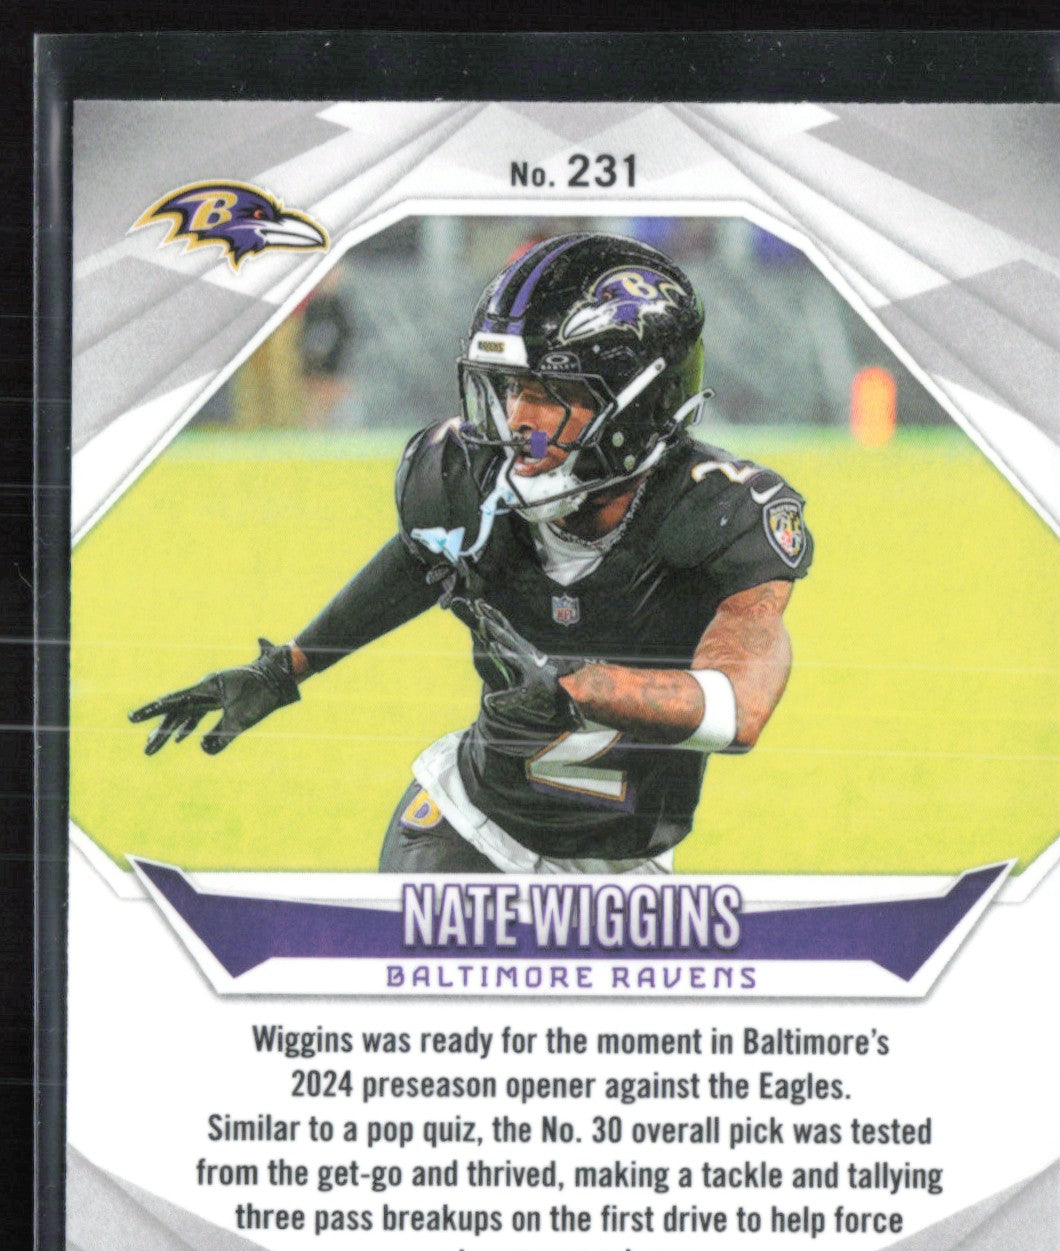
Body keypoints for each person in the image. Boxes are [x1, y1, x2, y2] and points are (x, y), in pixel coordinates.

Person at [131, 233, 814, 875]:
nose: (517, 418)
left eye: (549, 394)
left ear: (639, 406)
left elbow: (741, 706)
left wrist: (581, 686)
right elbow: (420, 558)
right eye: (512, 387)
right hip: (470, 827)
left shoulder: (718, 513)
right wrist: (285, 667)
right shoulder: (468, 478)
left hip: (624, 871)